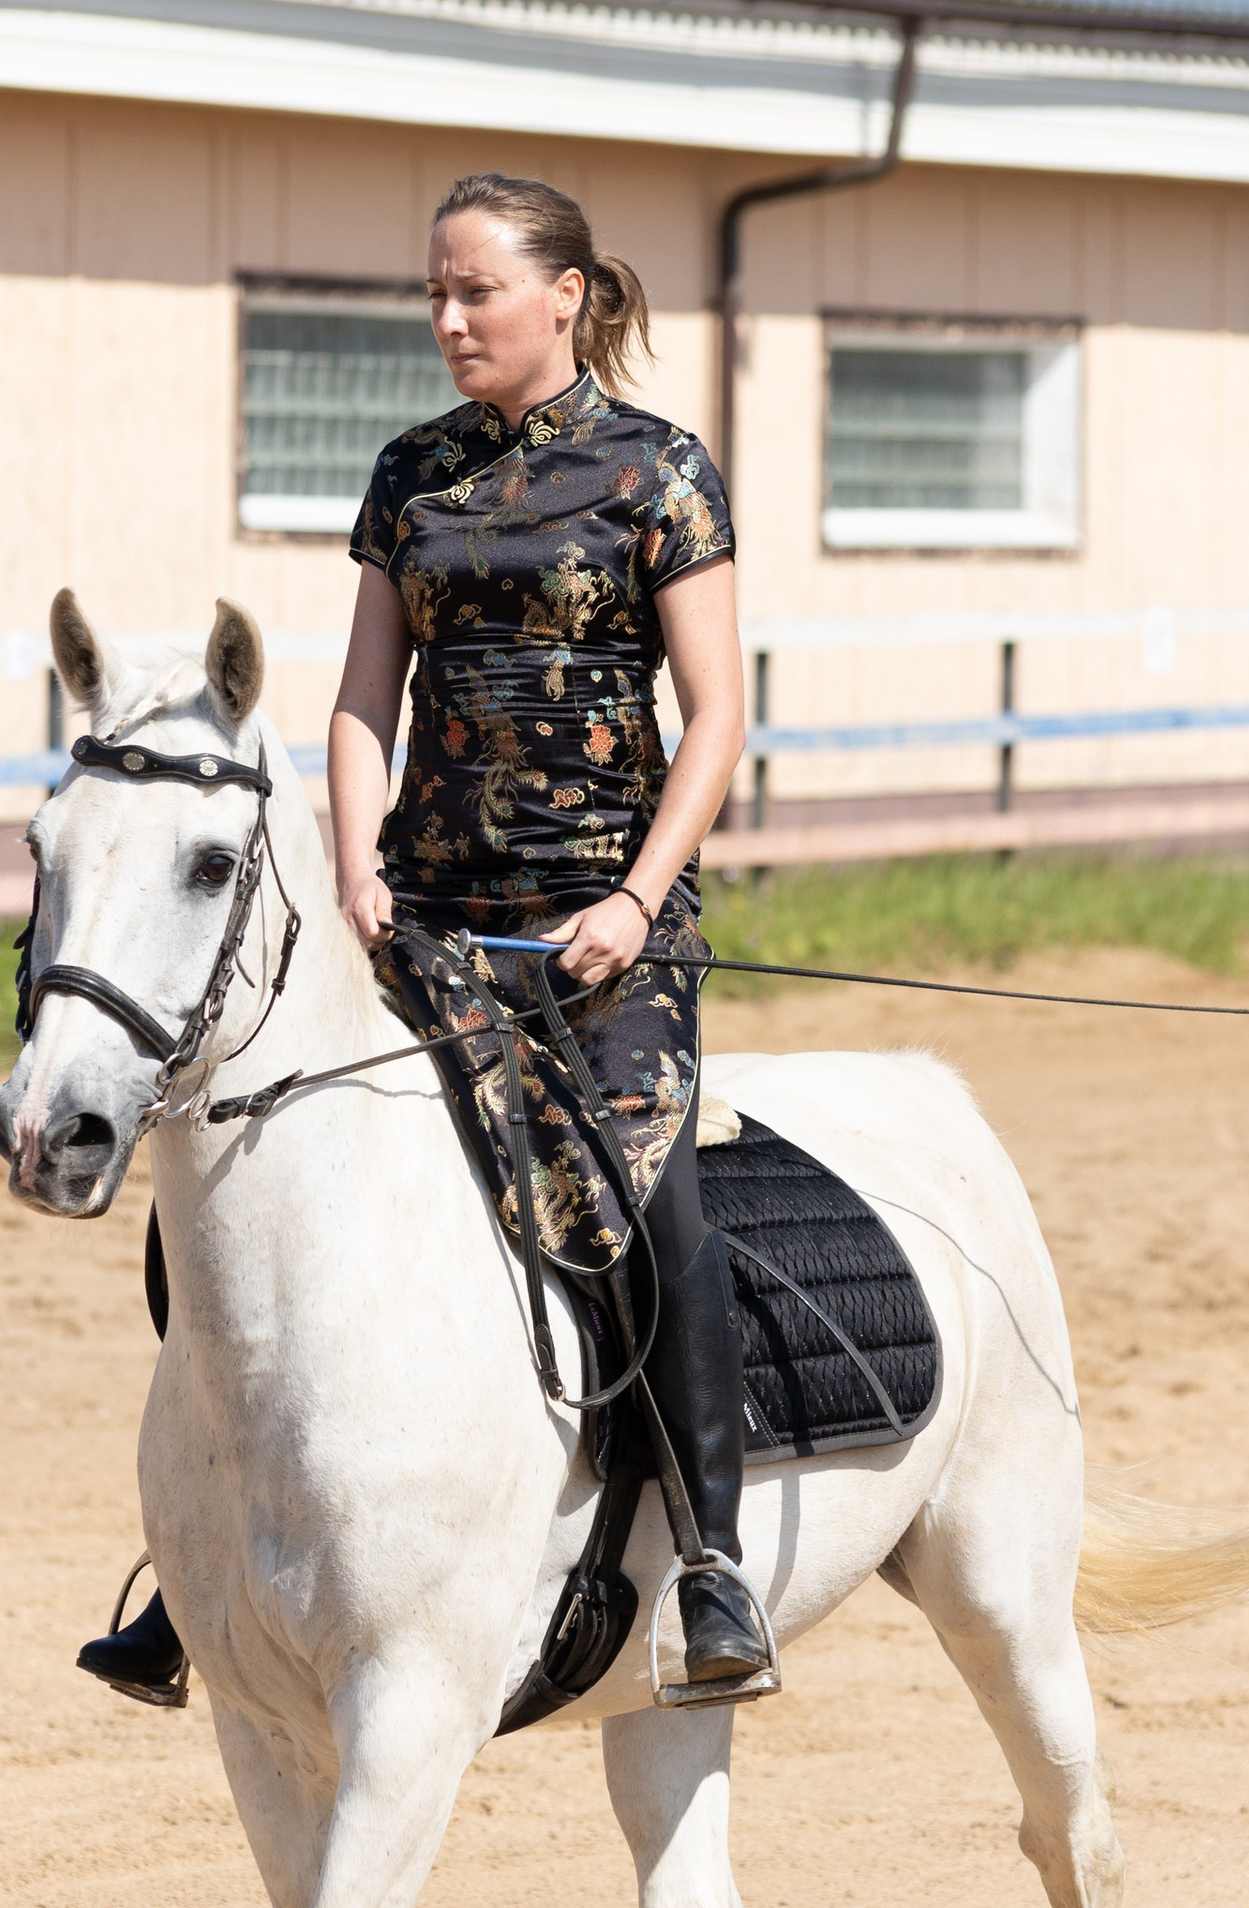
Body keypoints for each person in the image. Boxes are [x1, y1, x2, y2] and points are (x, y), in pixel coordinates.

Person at [77, 171, 769, 1712]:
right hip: (425, 918)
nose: (449, 320)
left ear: (567, 296)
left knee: (648, 1203)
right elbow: (356, 705)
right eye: (435, 294)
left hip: (605, 928)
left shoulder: (662, 473)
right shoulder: (413, 477)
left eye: (479, 293)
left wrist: (640, 899)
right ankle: (192, 1572)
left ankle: (714, 1565)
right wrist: (355, 867)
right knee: (222, 1185)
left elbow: (718, 718)